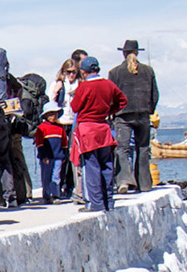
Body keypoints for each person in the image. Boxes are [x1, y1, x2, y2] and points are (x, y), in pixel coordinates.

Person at [68, 56, 126, 212]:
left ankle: (95, 203)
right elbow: (122, 100)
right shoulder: (108, 84)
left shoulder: (85, 87)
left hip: (88, 129)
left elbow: (75, 107)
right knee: (106, 165)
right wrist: (109, 111)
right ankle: (108, 201)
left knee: (91, 167)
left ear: (83, 72)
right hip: (104, 127)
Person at [106, 39, 158, 192]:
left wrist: (113, 112)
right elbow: (155, 95)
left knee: (122, 148)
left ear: (123, 53)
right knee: (142, 148)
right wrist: (149, 109)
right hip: (142, 114)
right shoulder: (148, 71)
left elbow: (112, 96)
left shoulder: (115, 72)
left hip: (123, 116)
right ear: (137, 52)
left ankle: (124, 181)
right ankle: (145, 184)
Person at [53, 53, 84, 202]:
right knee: (61, 157)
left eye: (73, 72)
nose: (71, 75)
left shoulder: (80, 84)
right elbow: (51, 104)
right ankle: (59, 186)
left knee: (74, 155)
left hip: (74, 123)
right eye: (68, 72)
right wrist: (55, 91)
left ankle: (72, 186)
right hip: (60, 123)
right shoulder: (58, 84)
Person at [33, 108, 68, 204]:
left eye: (55, 114)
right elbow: (39, 144)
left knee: (56, 176)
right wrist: (43, 156)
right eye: (51, 114)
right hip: (47, 157)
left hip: (58, 156)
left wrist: (64, 156)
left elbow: (64, 143)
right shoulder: (42, 128)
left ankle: (56, 195)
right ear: (46, 116)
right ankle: (47, 195)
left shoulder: (60, 128)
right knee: (46, 176)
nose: (53, 117)